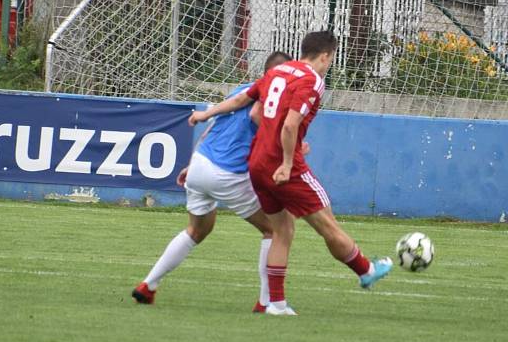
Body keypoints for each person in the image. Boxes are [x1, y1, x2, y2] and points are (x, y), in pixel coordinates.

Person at [188, 31, 392, 316]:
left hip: (256, 164)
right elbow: (289, 126)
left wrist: (204, 115)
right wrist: (286, 162)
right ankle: (365, 269)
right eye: (330, 60)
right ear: (325, 56)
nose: (328, 66)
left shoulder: (278, 71)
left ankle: (276, 304)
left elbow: (243, 103)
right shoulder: (312, 81)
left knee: (281, 231)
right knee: (327, 224)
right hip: (283, 166)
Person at [132, 51, 292, 311]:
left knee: (197, 230)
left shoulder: (241, 90)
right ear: (277, 75)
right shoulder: (268, 98)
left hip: (201, 164)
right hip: (226, 172)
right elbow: (255, 115)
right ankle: (265, 303)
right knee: (275, 230)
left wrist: (192, 163)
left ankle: (148, 285)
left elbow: (211, 126)